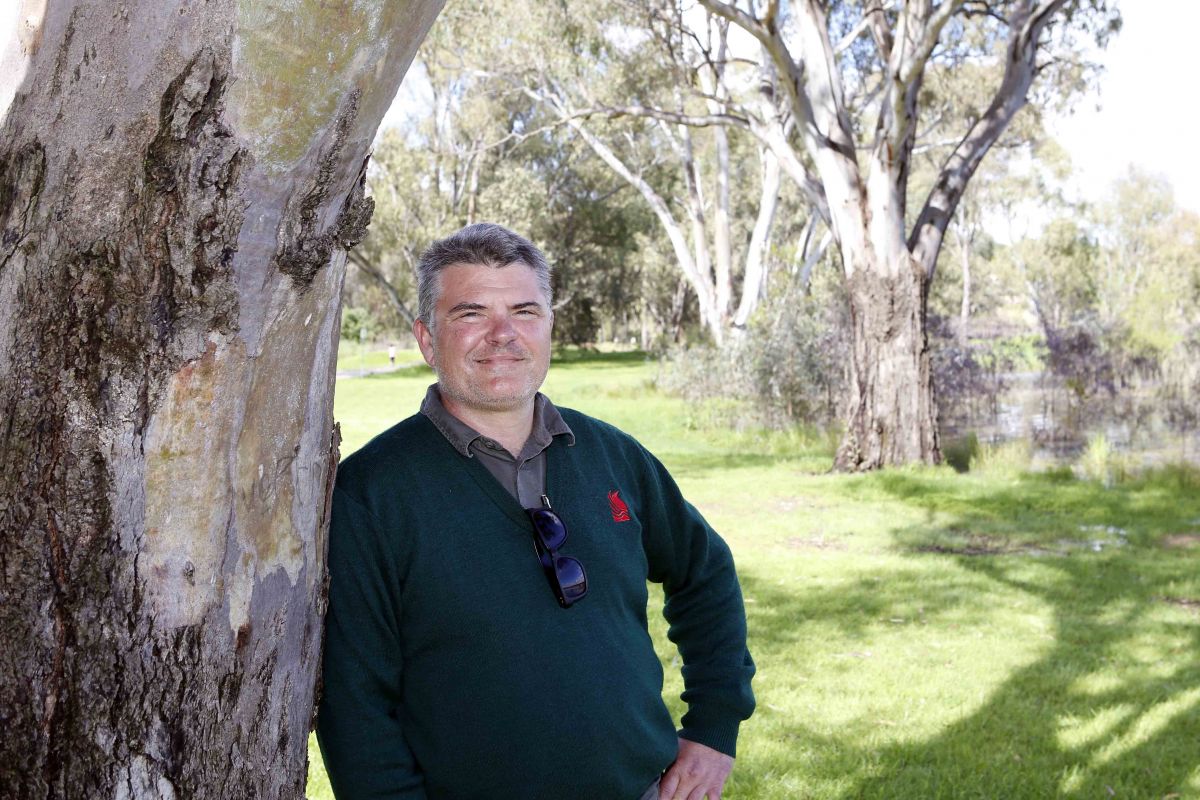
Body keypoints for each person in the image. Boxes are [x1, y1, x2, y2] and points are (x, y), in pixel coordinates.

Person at [317, 223, 755, 800]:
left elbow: (705, 573)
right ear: (427, 340)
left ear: (548, 327)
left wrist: (715, 727)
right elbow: (355, 707)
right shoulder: (372, 494)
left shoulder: (613, 456)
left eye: (524, 311)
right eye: (470, 314)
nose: (503, 335)